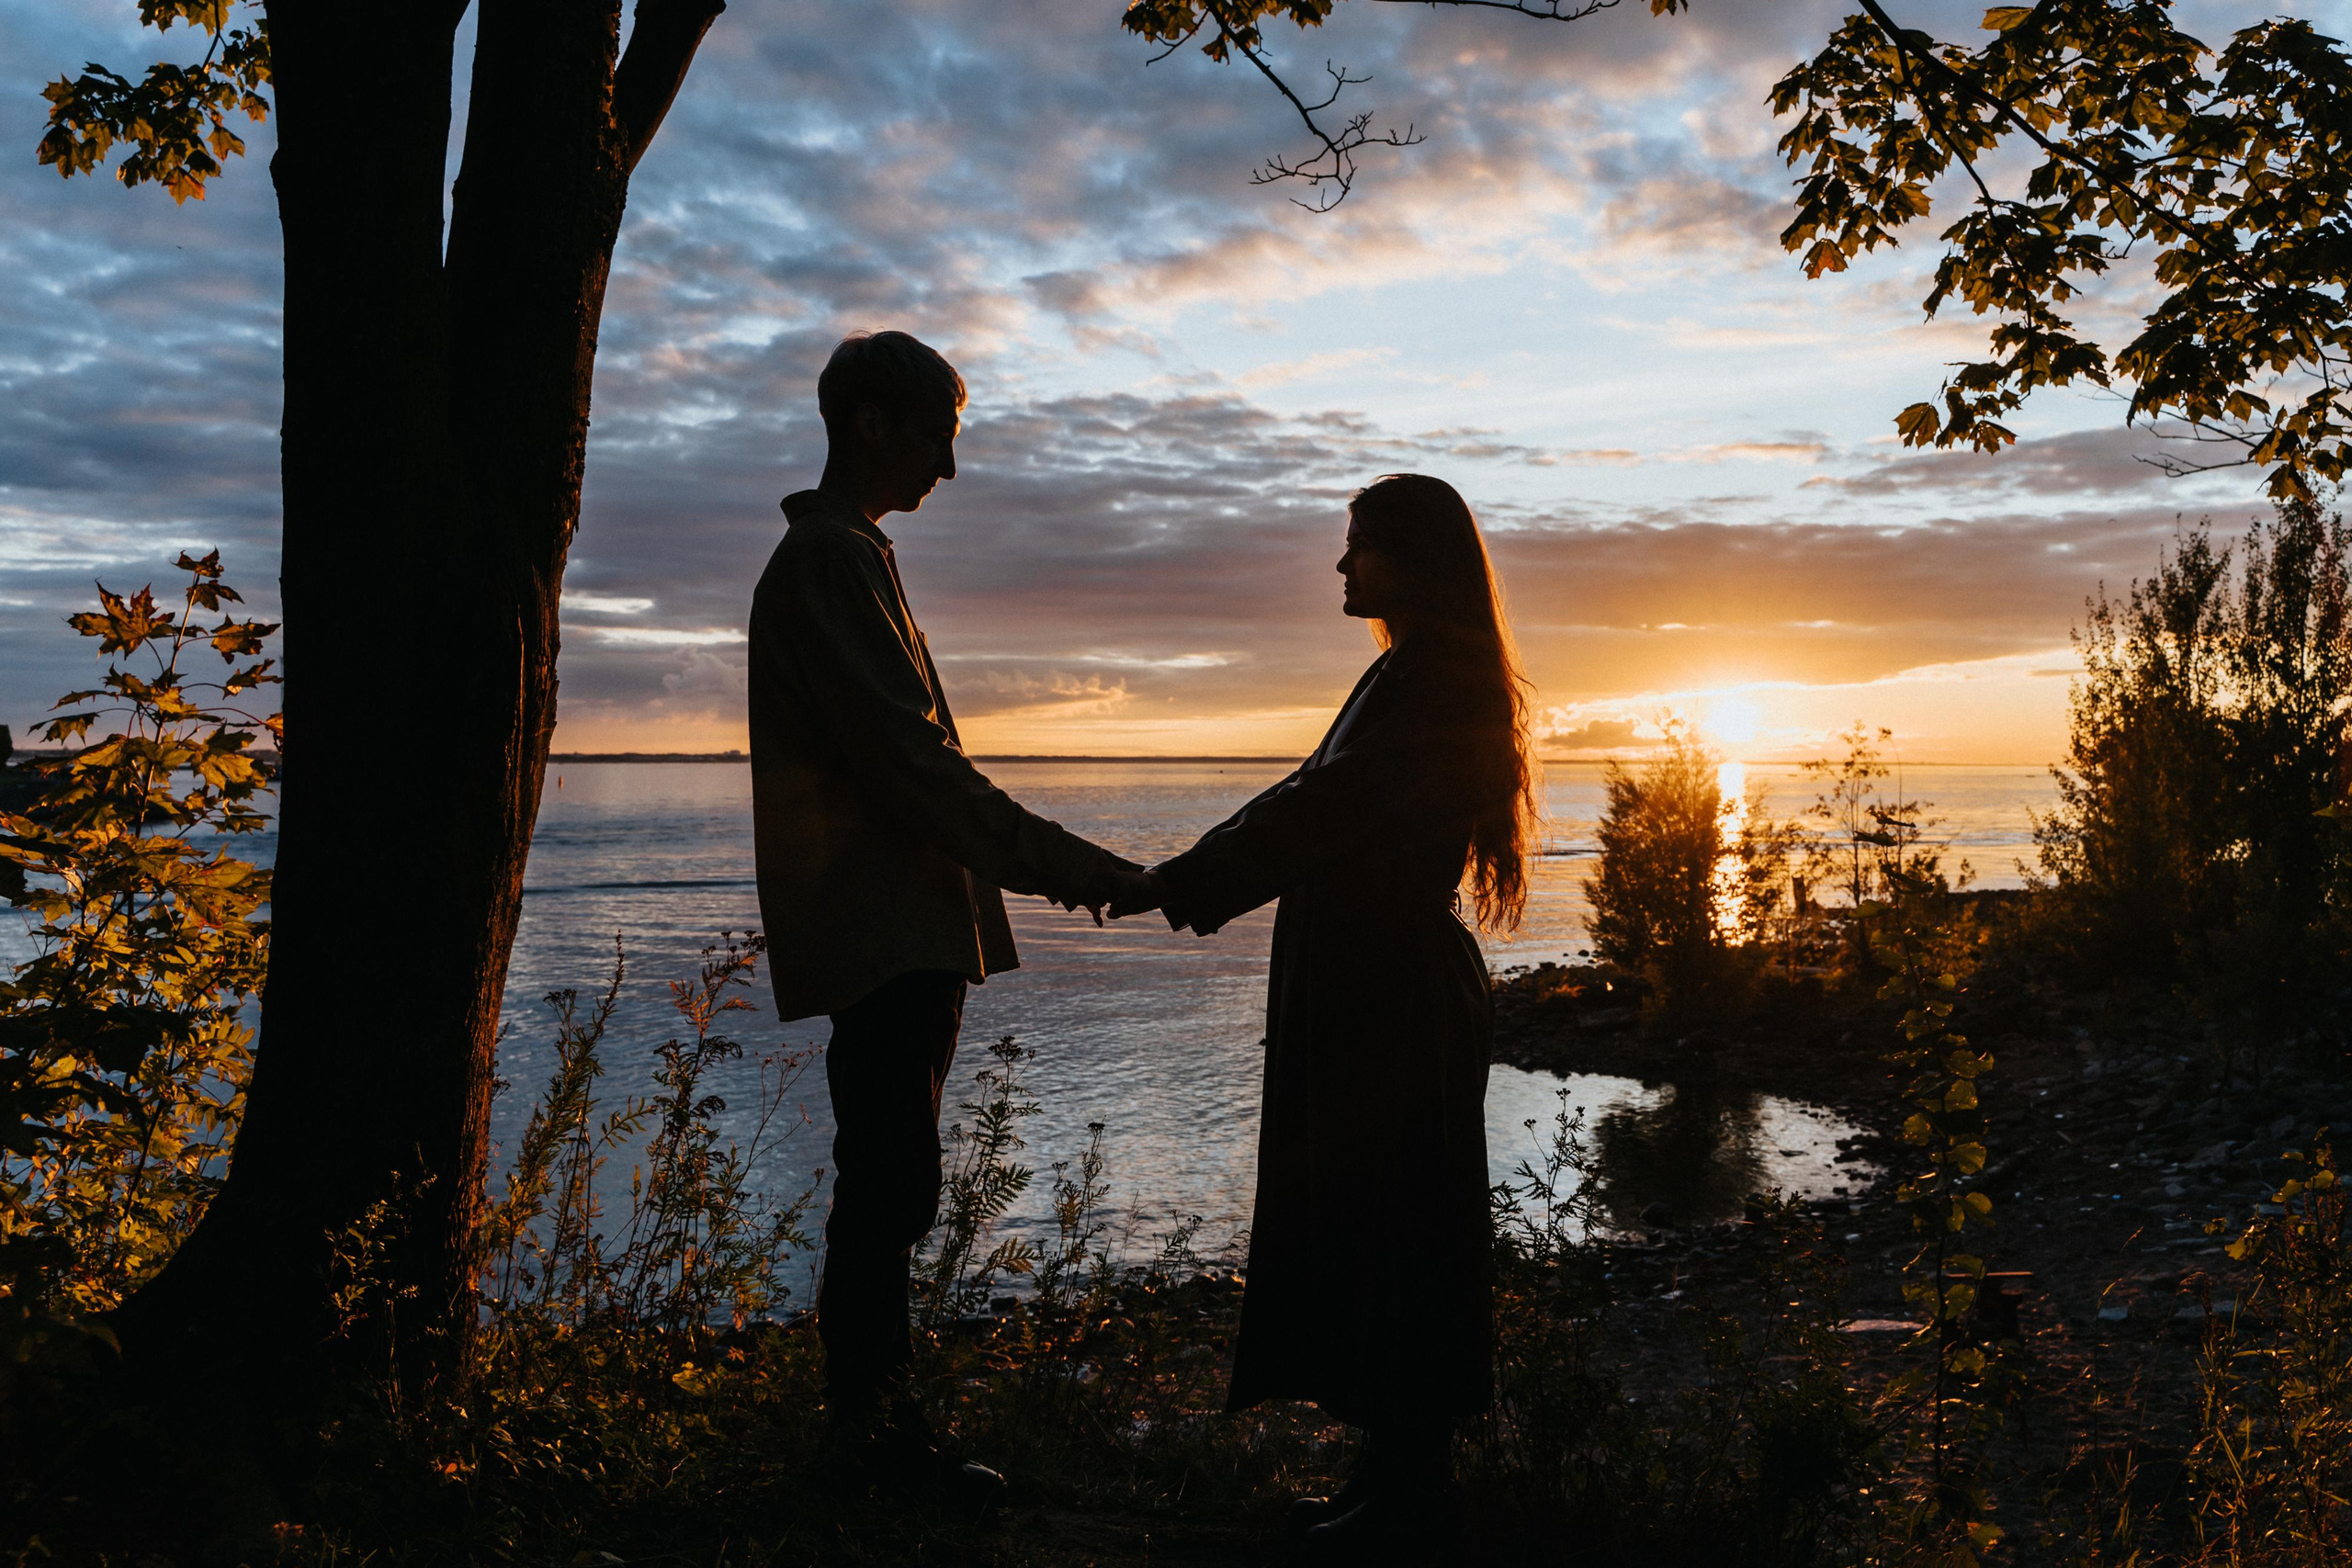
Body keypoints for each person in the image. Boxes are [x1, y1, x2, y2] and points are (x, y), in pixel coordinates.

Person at [749, 329, 1150, 1503]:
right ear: (871, 422)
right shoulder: (828, 561)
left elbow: (913, 766)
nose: (950, 468)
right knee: (887, 1185)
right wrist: (1077, 866)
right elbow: (912, 769)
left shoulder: (852, 554)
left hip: (903, 926)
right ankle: (871, 1447)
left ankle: (875, 1433)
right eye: (939, 437)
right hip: (882, 931)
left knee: (896, 1181)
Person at [1116, 473, 1539, 1561]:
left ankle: (1409, 1495)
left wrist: (1184, 883)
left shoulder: (1434, 679)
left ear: (1413, 557)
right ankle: (1390, 1481)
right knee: (1375, 1225)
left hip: (1392, 994)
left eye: (1359, 547)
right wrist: (1188, 874)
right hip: (1370, 986)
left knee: (1399, 1230)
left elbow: (1324, 809)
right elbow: (1303, 800)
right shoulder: (1407, 674)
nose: (1341, 566)